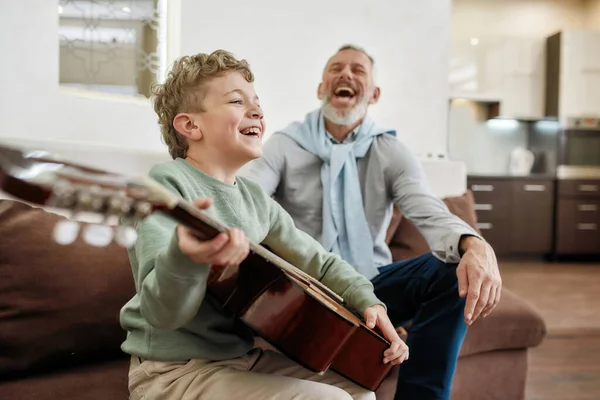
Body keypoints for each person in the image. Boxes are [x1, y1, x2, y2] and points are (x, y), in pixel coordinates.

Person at [119, 49, 408, 400]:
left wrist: (370, 303)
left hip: (238, 360)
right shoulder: (165, 188)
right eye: (237, 101)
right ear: (190, 125)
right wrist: (185, 257)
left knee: (361, 393)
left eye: (256, 103)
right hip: (173, 372)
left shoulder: (256, 200)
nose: (257, 110)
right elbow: (162, 314)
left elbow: (321, 261)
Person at [239, 44, 502, 400]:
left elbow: (426, 207)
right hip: (306, 289)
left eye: (358, 71)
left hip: (372, 285)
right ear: (321, 89)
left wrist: (474, 243)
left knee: (450, 266)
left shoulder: (391, 152)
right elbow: (248, 197)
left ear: (374, 94)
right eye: (336, 68)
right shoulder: (284, 145)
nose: (346, 75)